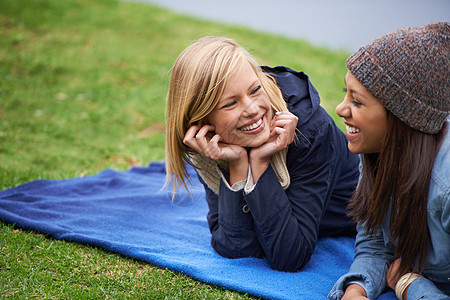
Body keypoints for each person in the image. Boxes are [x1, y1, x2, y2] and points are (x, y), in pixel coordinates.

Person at [165, 36, 360, 272]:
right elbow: (236, 249)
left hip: (352, 220)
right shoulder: (205, 143)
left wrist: (259, 162)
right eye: (230, 104)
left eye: (255, 89)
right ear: (202, 120)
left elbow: (290, 256)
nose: (253, 109)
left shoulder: (310, 130)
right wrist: (237, 164)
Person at [328, 22, 450, 299]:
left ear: (403, 119)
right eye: (346, 92)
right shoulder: (381, 149)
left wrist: (410, 285)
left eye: (357, 102)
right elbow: (375, 242)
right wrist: (356, 289)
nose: (339, 108)